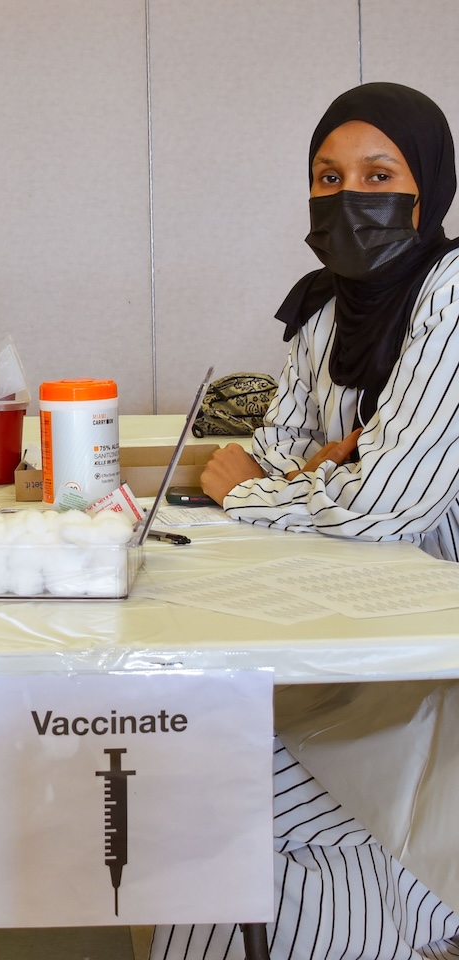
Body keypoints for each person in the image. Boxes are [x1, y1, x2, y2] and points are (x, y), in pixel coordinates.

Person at [152, 84, 459, 959]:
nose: (347, 196)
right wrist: (331, 468)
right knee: (202, 752)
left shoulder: (454, 293)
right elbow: (285, 446)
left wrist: (255, 492)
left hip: (430, 638)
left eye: (377, 173)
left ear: (428, 188)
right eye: (327, 177)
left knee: (233, 766)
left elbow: (391, 505)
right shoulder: (325, 307)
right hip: (347, 604)